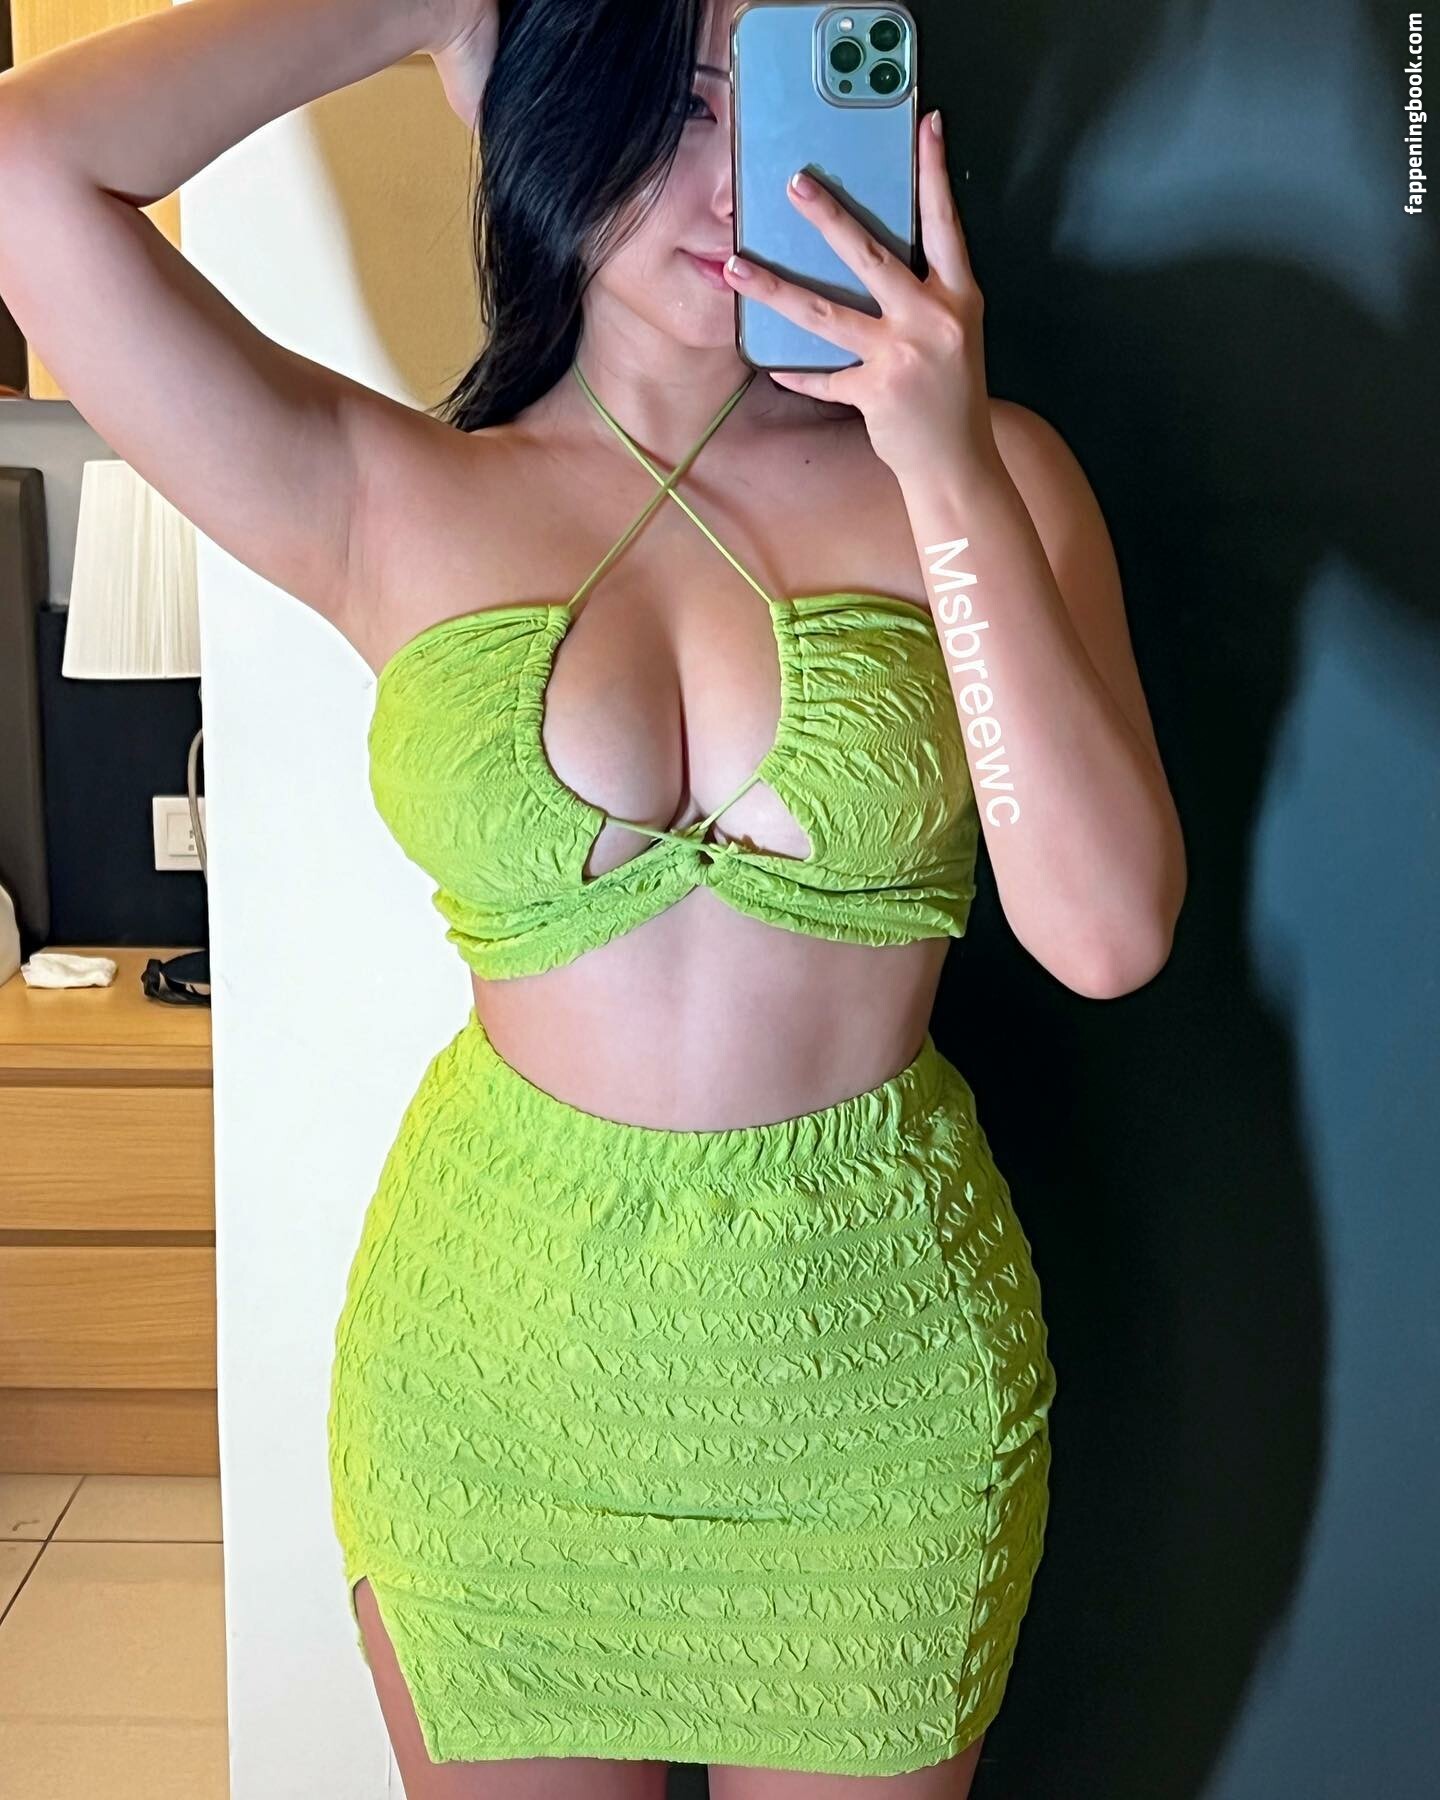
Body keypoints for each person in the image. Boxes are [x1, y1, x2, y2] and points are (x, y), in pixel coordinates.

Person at [0, 0, 1186, 1793]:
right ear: (565, 110)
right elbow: (30, 168)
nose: (743, 178)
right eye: (676, 104)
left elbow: (1104, 935)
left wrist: (941, 457)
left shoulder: (989, 476)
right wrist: (424, 12)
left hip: (874, 1390)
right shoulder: (389, 495)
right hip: (496, 1386)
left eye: (778, 99)